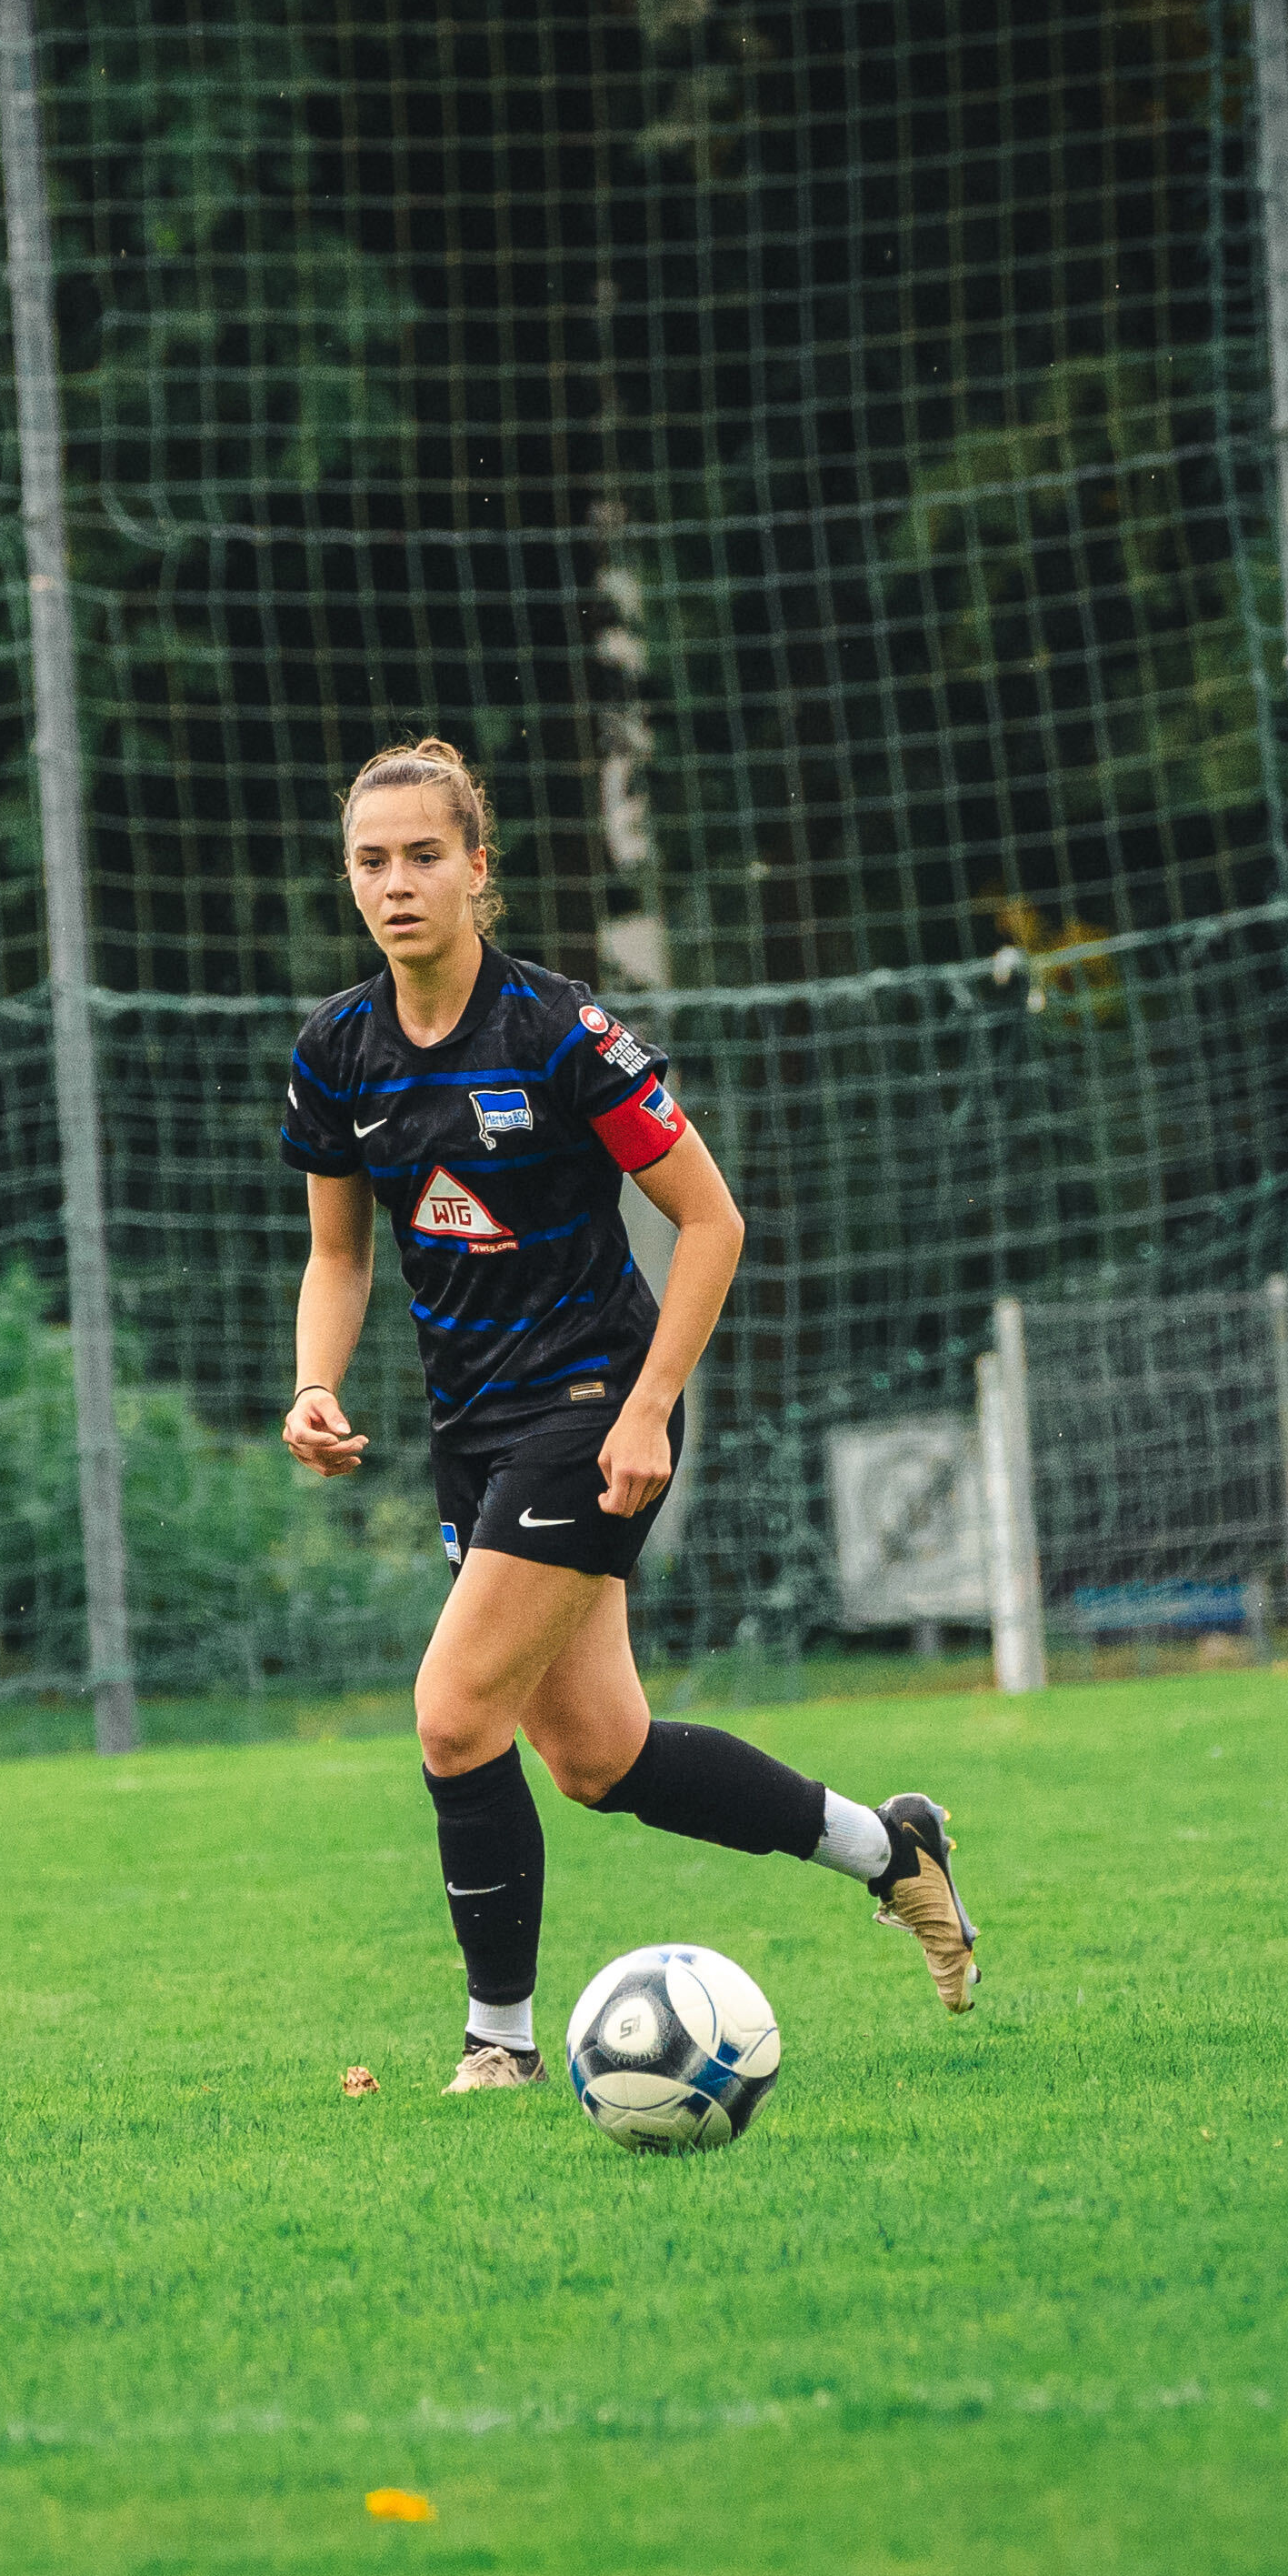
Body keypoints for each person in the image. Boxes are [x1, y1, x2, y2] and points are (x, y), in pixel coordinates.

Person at [277, 738, 980, 2091]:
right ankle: (891, 1850)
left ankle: (502, 2043)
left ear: (479, 870)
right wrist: (315, 1381)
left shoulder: (555, 1031)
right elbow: (341, 1255)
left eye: (426, 854)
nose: (397, 881)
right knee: (596, 1754)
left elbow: (709, 1220)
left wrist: (651, 1406)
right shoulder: (336, 1051)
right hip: (470, 1430)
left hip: (591, 1405)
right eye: (372, 860)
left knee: (450, 1712)